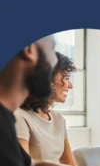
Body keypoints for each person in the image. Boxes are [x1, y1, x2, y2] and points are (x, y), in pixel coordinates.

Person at [0, 35, 66, 166]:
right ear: (29, 49)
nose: (54, 63)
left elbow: (31, 164)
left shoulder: (6, 120)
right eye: (52, 49)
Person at [14, 52, 77, 166]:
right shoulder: (20, 117)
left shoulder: (58, 119)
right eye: (66, 78)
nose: (70, 85)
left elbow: (69, 163)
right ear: (47, 79)